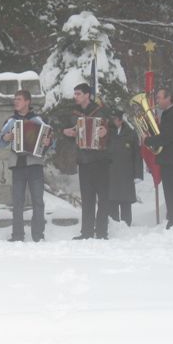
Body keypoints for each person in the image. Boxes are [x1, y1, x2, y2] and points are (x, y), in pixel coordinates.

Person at [0, 90, 53, 242]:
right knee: (17, 201)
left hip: (35, 165)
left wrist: (48, 142)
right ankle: (17, 235)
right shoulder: (10, 121)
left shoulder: (38, 120)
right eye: (15, 99)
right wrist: (6, 137)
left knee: (38, 201)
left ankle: (38, 235)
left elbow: (50, 140)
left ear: (27, 102)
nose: (16, 102)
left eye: (19, 99)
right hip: (17, 166)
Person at [62, 83, 110, 240]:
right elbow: (66, 131)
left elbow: (113, 133)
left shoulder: (101, 111)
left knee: (103, 197)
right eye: (75, 94)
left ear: (87, 95)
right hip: (83, 160)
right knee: (87, 197)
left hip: (100, 160)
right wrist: (66, 132)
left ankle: (102, 231)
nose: (75, 96)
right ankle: (87, 231)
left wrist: (106, 132)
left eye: (78, 94)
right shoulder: (74, 114)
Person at [144, 87, 173, 228]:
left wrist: (149, 141)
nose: (157, 101)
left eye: (159, 98)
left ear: (168, 98)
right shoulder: (168, 114)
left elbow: (167, 137)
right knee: (171, 191)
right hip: (170, 160)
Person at [107, 109, 142, 226]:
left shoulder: (130, 133)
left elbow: (137, 154)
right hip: (110, 172)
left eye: (115, 119)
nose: (113, 121)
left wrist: (138, 174)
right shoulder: (107, 132)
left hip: (126, 172)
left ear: (121, 120)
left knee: (125, 200)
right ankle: (114, 224)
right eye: (112, 119)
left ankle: (126, 225)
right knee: (111, 199)